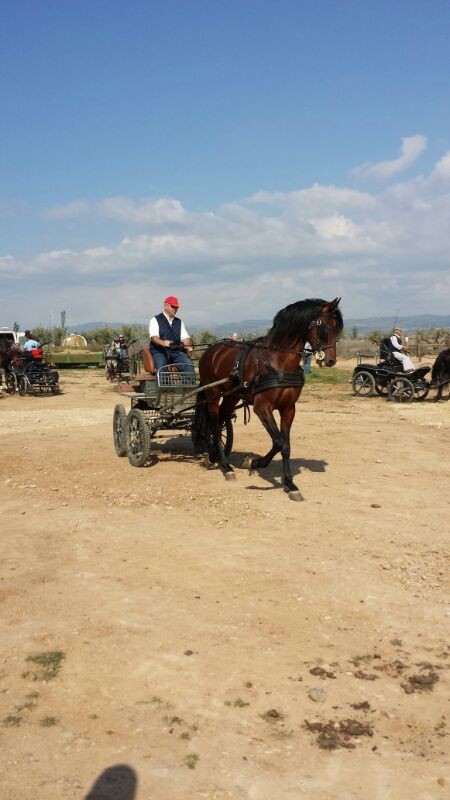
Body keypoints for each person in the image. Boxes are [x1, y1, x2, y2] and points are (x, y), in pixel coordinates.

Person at [149, 295, 195, 378]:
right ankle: (163, 390)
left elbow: (185, 337)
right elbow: (154, 337)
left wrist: (188, 345)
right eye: (173, 306)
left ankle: (188, 388)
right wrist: (163, 342)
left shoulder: (179, 322)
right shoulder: (155, 320)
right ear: (165, 306)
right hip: (159, 351)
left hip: (175, 352)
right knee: (162, 364)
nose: (175, 309)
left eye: (176, 307)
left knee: (188, 364)